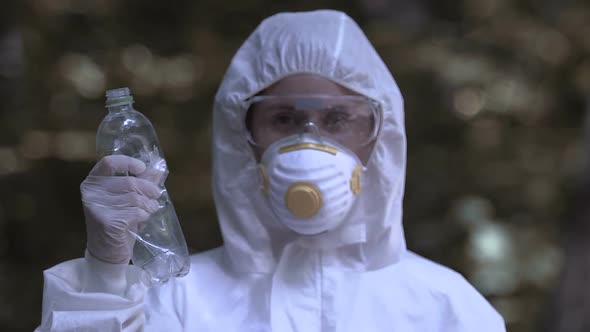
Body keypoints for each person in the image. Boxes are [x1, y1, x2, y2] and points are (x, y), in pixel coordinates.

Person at [37, 9, 506, 331]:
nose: (309, 140)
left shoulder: (445, 308)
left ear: (378, 139)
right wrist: (105, 270)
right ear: (243, 138)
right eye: (282, 119)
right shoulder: (179, 301)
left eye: (338, 119)